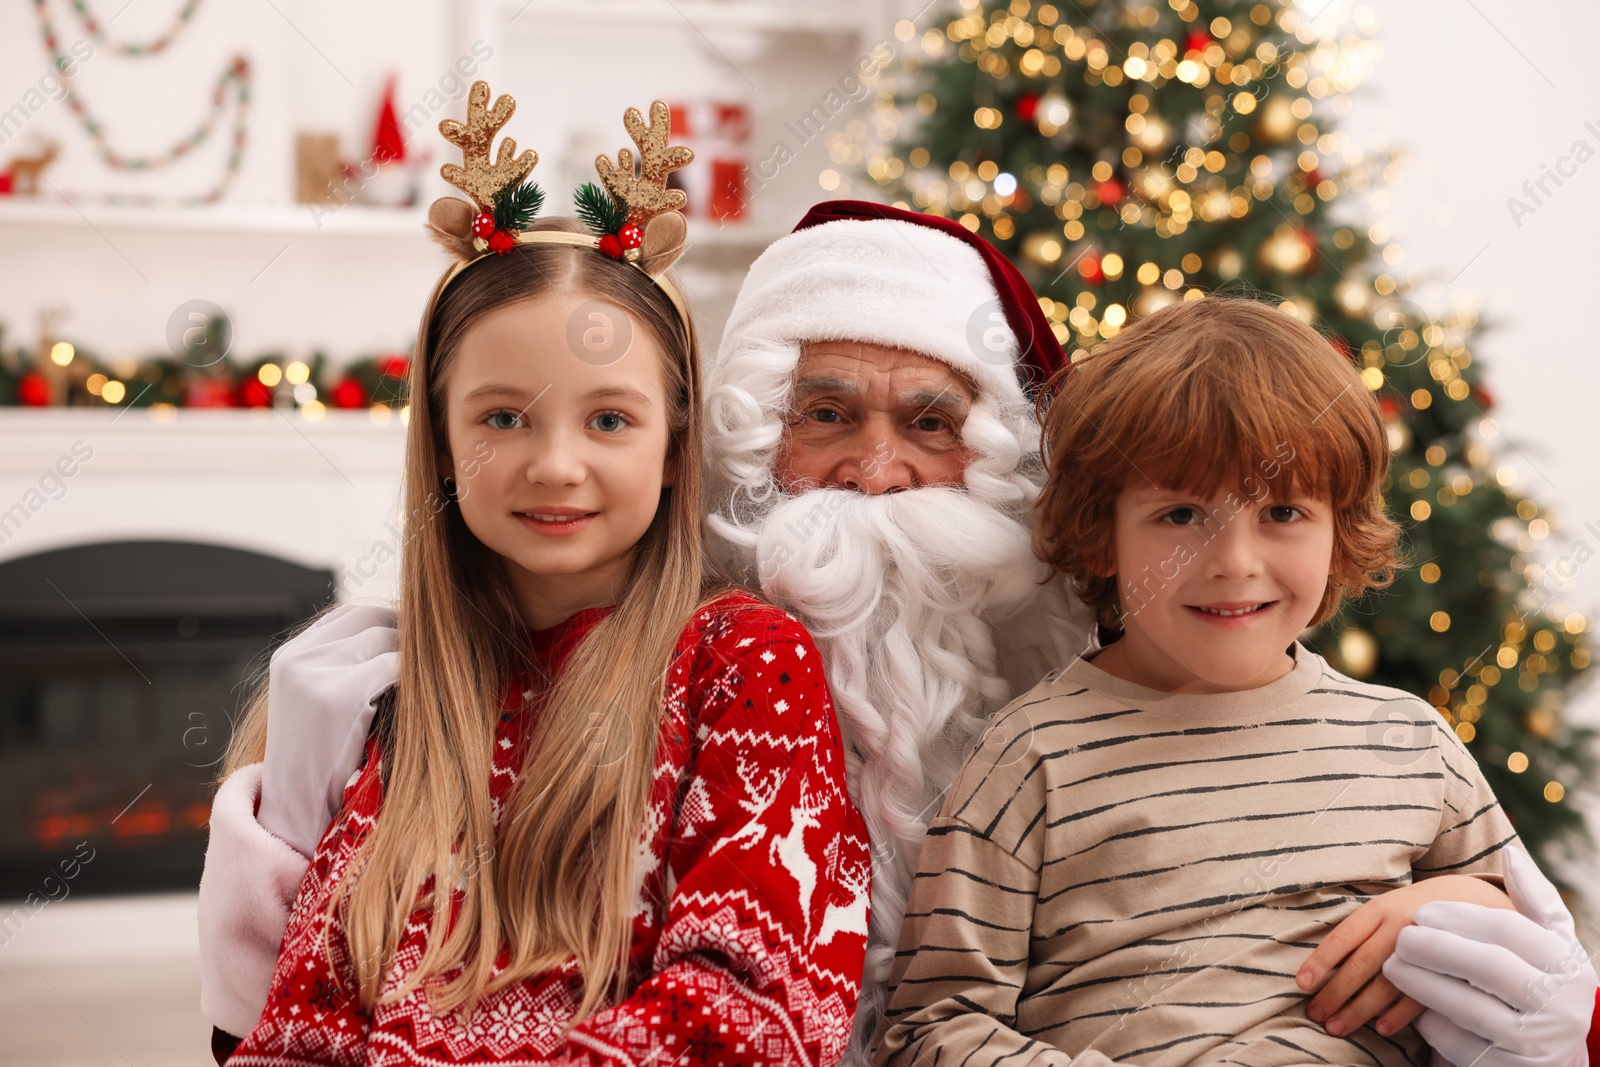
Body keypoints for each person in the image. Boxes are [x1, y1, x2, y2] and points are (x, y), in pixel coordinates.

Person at [199, 200, 1600, 1066]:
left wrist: (1469, 916)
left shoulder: (1080, 641)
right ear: (744, 442)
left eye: (928, 422)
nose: (874, 470)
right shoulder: (647, 643)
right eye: (827, 414)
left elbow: (1513, 946)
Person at [202, 88, 870, 1064]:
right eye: (503, 417)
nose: (555, 464)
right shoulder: (398, 693)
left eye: (608, 419)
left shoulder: (743, 664)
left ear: (676, 446)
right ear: (438, 440)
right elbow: (305, 1015)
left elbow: (755, 1002)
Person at [872, 296, 1598, 1066]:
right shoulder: (1030, 756)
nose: (1234, 562)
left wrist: (1469, 905)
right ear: (1102, 533)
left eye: (1283, 510)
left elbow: (1530, 970)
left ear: (1339, 530)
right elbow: (931, 1029)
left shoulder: (1411, 742)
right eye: (1182, 513)